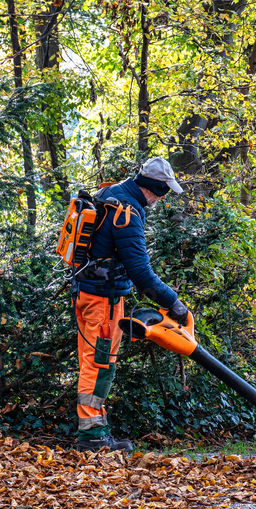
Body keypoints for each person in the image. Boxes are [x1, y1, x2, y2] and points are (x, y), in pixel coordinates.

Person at [72, 156, 190, 453]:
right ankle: (93, 438)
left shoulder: (111, 193)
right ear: (153, 188)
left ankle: (95, 432)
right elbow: (141, 274)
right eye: (163, 193)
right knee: (100, 365)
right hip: (104, 298)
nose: (163, 199)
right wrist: (173, 303)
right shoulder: (127, 212)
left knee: (91, 363)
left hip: (85, 292)